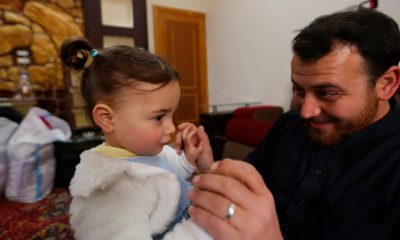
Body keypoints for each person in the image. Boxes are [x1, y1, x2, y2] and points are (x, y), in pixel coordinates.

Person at [187, 6, 400, 240]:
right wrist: (207, 169)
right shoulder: (289, 125)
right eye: (298, 90)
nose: (306, 112)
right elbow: (244, 182)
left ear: (387, 84)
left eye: (327, 93)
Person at [60, 38, 214, 240]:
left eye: (171, 115)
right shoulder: (110, 193)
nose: (171, 127)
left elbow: (170, 173)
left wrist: (191, 162)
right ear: (107, 118)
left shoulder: (149, 150)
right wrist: (199, 231)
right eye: (159, 117)